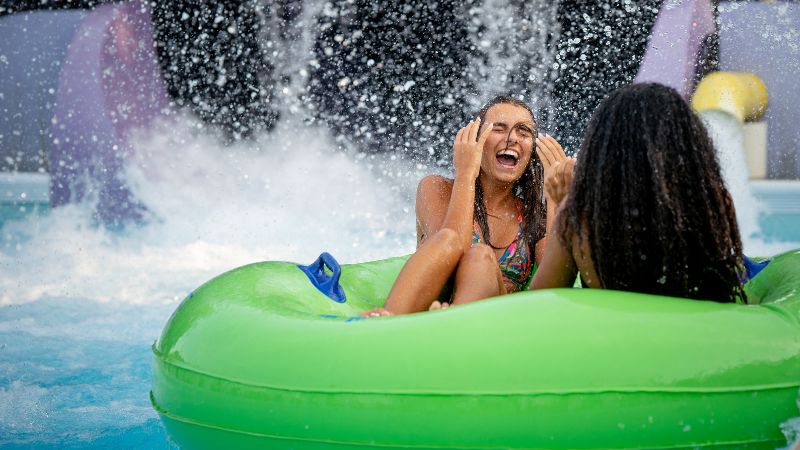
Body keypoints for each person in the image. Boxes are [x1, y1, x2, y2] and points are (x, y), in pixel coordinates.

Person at [531, 82, 747, 303]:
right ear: (687, 146)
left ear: (604, 150)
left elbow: (538, 304)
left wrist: (562, 204)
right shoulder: (711, 204)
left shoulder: (580, 220)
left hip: (612, 335)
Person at [364, 96, 568, 316]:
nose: (512, 139)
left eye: (523, 132)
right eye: (498, 129)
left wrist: (557, 199)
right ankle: (387, 322)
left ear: (532, 152)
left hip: (494, 323)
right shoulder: (437, 188)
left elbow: (555, 286)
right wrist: (466, 174)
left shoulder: (533, 216)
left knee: (480, 258)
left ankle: (450, 322)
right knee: (455, 242)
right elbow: (452, 246)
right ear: (476, 141)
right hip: (430, 309)